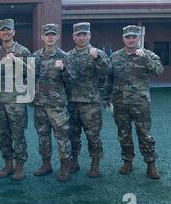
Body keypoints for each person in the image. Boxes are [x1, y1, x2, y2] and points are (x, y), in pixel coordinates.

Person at [104, 25, 163, 179]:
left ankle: (150, 164)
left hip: (140, 103)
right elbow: (109, 79)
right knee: (123, 134)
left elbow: (159, 71)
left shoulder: (147, 54)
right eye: (127, 37)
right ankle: (127, 162)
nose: (131, 40)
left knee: (144, 134)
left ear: (138, 38)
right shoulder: (115, 57)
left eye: (134, 37)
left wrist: (145, 58)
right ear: (123, 38)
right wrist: (105, 97)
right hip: (120, 103)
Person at [66, 22, 110, 178]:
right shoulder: (68, 56)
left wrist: (97, 58)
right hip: (72, 102)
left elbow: (106, 71)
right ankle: (74, 161)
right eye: (78, 34)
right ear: (73, 36)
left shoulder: (96, 53)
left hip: (90, 103)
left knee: (93, 135)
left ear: (89, 36)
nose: (81, 37)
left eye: (84, 34)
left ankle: (95, 163)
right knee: (72, 134)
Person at [32, 24, 74, 182]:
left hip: (57, 105)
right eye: (47, 34)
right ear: (42, 37)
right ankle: (46, 164)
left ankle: (64, 166)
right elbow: (29, 77)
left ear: (57, 36)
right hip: (40, 104)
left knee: (62, 136)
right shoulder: (35, 56)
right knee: (43, 135)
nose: (50, 37)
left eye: (53, 34)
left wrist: (63, 69)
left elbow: (72, 80)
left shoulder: (64, 56)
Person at [0, 19, 31, 181]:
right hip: (0, 102)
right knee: (3, 135)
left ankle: (20, 165)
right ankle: (8, 164)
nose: (5, 32)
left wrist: (17, 60)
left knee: (18, 135)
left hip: (16, 103)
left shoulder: (23, 51)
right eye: (2, 30)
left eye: (8, 30)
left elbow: (33, 73)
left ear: (14, 32)